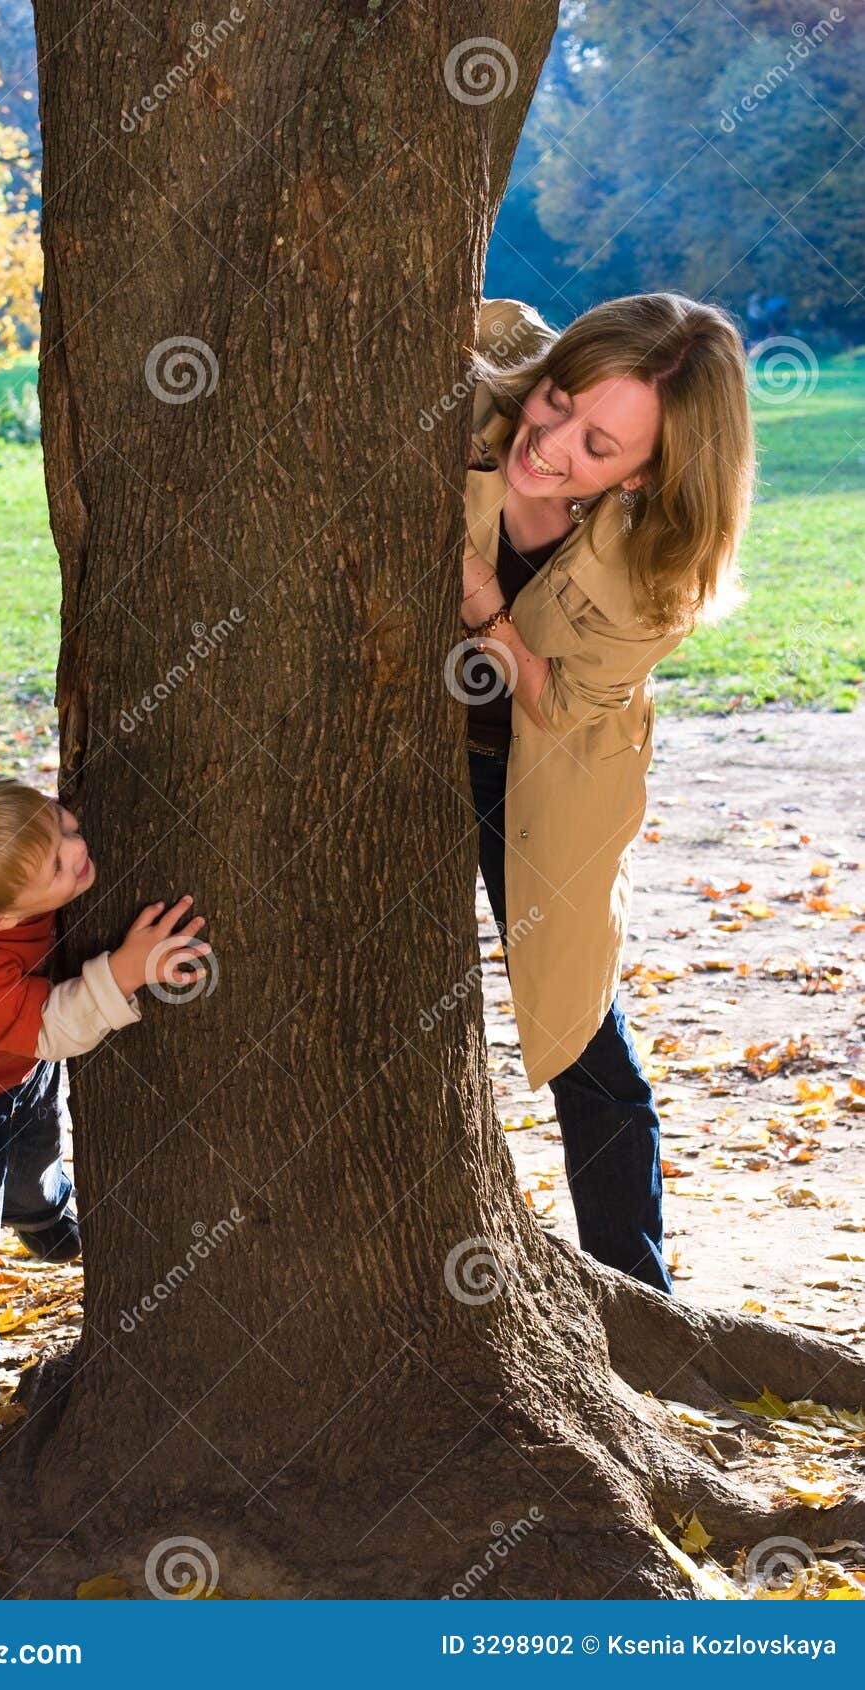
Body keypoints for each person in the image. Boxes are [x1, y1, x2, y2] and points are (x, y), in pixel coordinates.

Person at [458, 295, 754, 1292]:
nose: (546, 445)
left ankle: (636, 1293)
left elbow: (561, 706)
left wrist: (487, 612)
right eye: (554, 402)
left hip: (542, 769)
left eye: (596, 445)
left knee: (578, 1027)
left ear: (649, 472)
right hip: (399, 752)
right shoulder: (488, 391)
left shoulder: (659, 565)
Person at [0, 767, 210, 1455]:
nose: (77, 844)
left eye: (60, 822)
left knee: (34, 1154)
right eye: (59, 859)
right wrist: (123, 971)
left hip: (12, 1065)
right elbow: (54, 1026)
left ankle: (46, 1216)